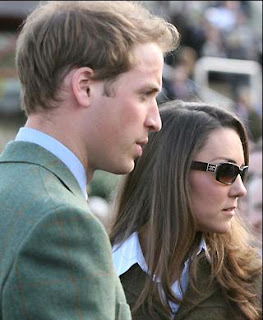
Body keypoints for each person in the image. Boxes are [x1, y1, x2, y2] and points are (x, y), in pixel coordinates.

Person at [0, 1, 180, 319]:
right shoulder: (61, 224)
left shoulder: (14, 187)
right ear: (84, 87)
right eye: (144, 95)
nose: (156, 120)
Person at [110, 100, 262, 320]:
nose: (240, 189)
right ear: (174, 173)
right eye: (227, 171)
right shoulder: (95, 270)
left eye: (242, 173)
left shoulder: (249, 280)